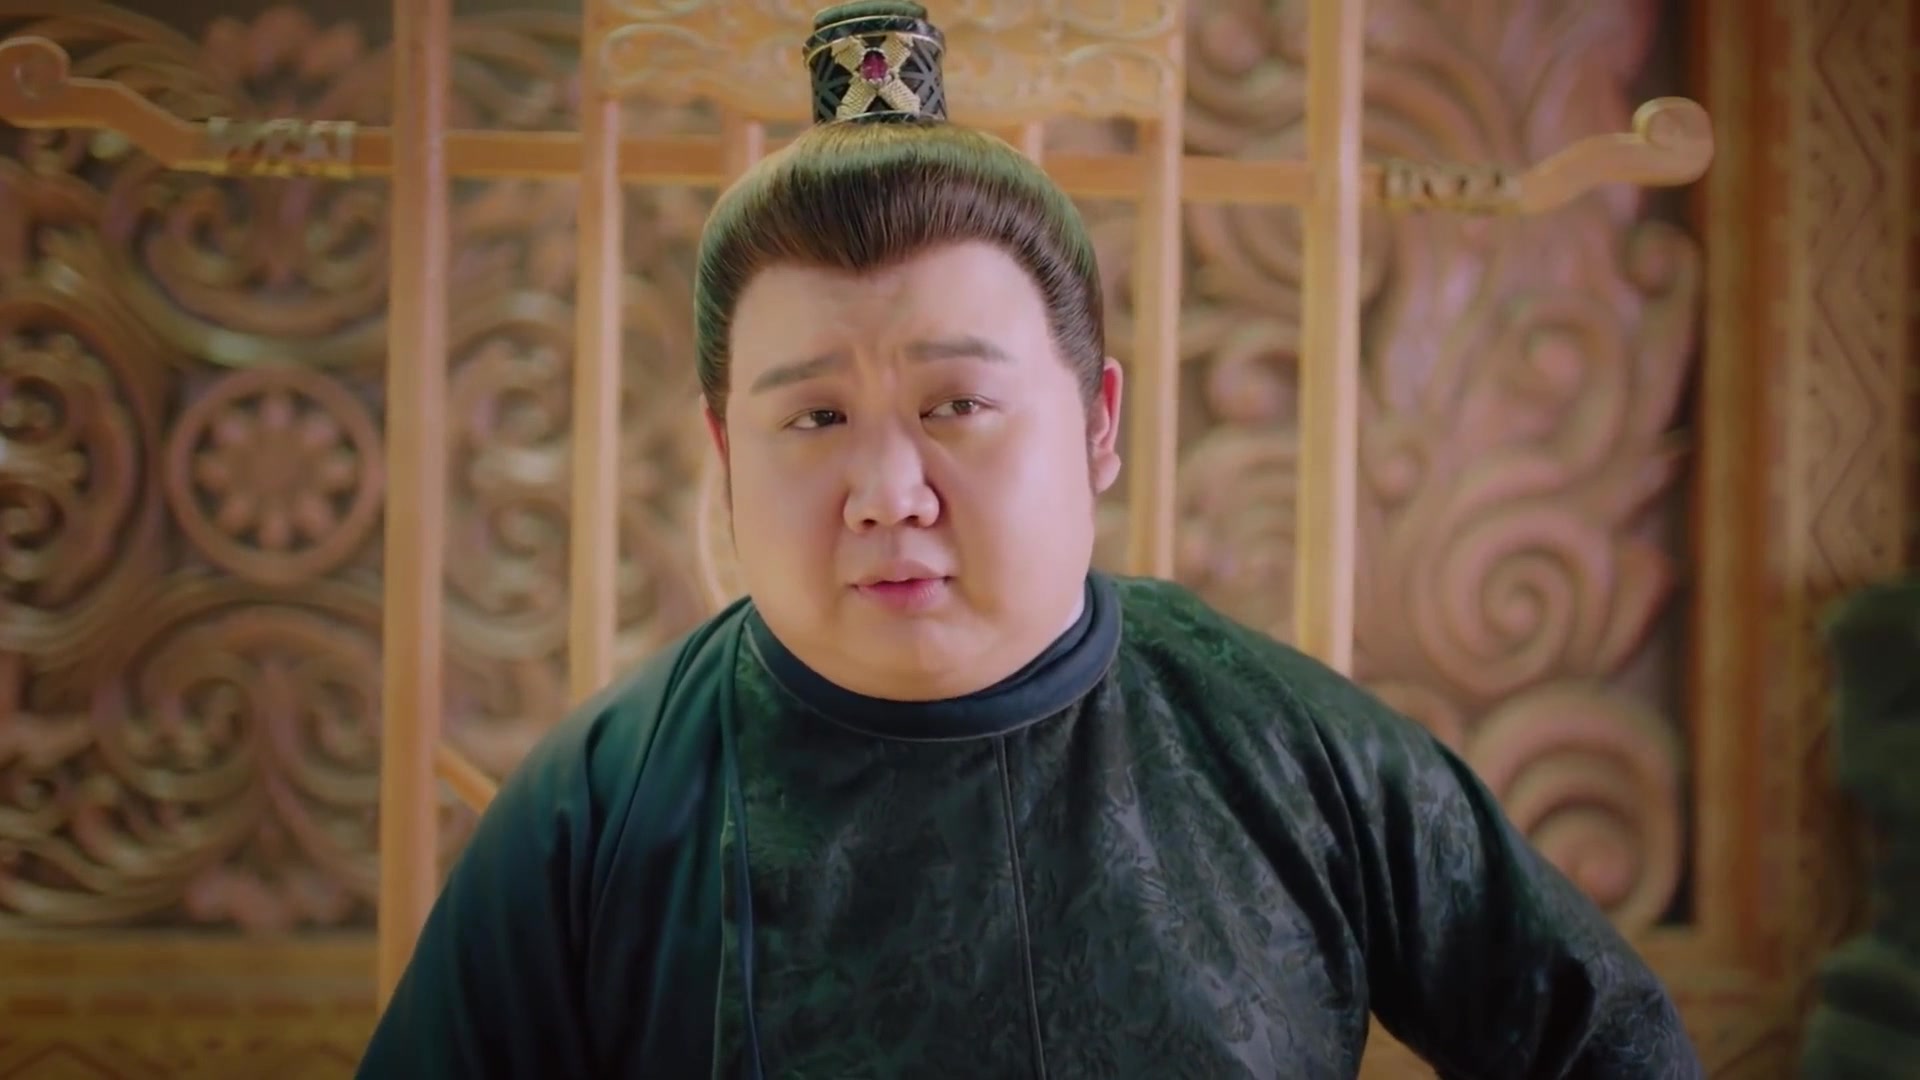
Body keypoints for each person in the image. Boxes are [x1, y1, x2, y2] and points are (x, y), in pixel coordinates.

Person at [357, 3, 1703, 1076]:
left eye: (956, 405)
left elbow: (1608, 1044)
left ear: (1097, 421)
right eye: (815, 417)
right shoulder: (600, 811)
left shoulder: (1291, 753)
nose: (889, 491)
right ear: (724, 451)